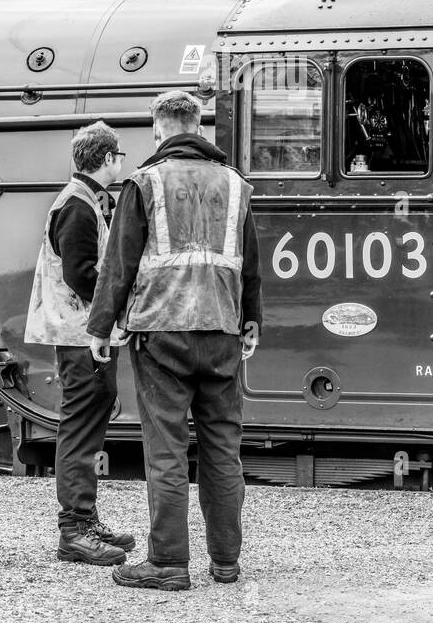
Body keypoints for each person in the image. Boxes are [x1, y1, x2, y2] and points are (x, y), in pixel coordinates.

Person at [87, 89, 263, 592]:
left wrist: (101, 326)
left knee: (166, 450)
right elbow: (250, 262)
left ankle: (167, 562)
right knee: (222, 450)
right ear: (198, 125)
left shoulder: (145, 182)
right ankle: (226, 561)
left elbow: (120, 263)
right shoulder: (236, 184)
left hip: (161, 333)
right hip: (224, 332)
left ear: (159, 130)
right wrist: (252, 320)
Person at [25, 122, 135, 566]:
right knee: (80, 428)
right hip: (79, 336)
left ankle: (84, 519)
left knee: (87, 425)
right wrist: (114, 312)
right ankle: (74, 529)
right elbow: (82, 273)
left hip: (83, 334)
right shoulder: (78, 206)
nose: (121, 162)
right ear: (108, 159)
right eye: (119, 156)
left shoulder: (83, 200)